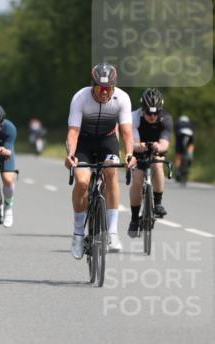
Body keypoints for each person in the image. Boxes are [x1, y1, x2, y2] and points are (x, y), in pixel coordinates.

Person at [64, 62, 137, 258]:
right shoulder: (80, 97)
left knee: (111, 170)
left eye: (108, 88)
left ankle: (112, 231)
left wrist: (129, 153)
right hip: (84, 142)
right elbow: (73, 132)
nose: (104, 92)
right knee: (81, 181)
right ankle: (78, 234)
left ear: (113, 87)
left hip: (107, 140)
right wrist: (70, 153)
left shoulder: (122, 98)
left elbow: (127, 132)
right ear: (92, 85)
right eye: (99, 87)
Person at [127, 88, 173, 237]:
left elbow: (165, 143)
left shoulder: (166, 118)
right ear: (142, 110)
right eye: (149, 113)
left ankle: (158, 202)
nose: (152, 116)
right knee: (138, 179)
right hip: (138, 149)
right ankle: (134, 219)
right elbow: (131, 142)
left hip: (156, 149)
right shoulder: (134, 117)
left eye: (156, 113)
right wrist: (138, 146)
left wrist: (159, 146)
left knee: (157, 164)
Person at [174, 115, 195, 182]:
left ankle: (177, 170)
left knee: (178, 154)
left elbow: (176, 134)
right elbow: (193, 133)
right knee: (190, 145)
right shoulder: (190, 124)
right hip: (190, 135)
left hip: (180, 135)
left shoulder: (177, 124)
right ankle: (190, 156)